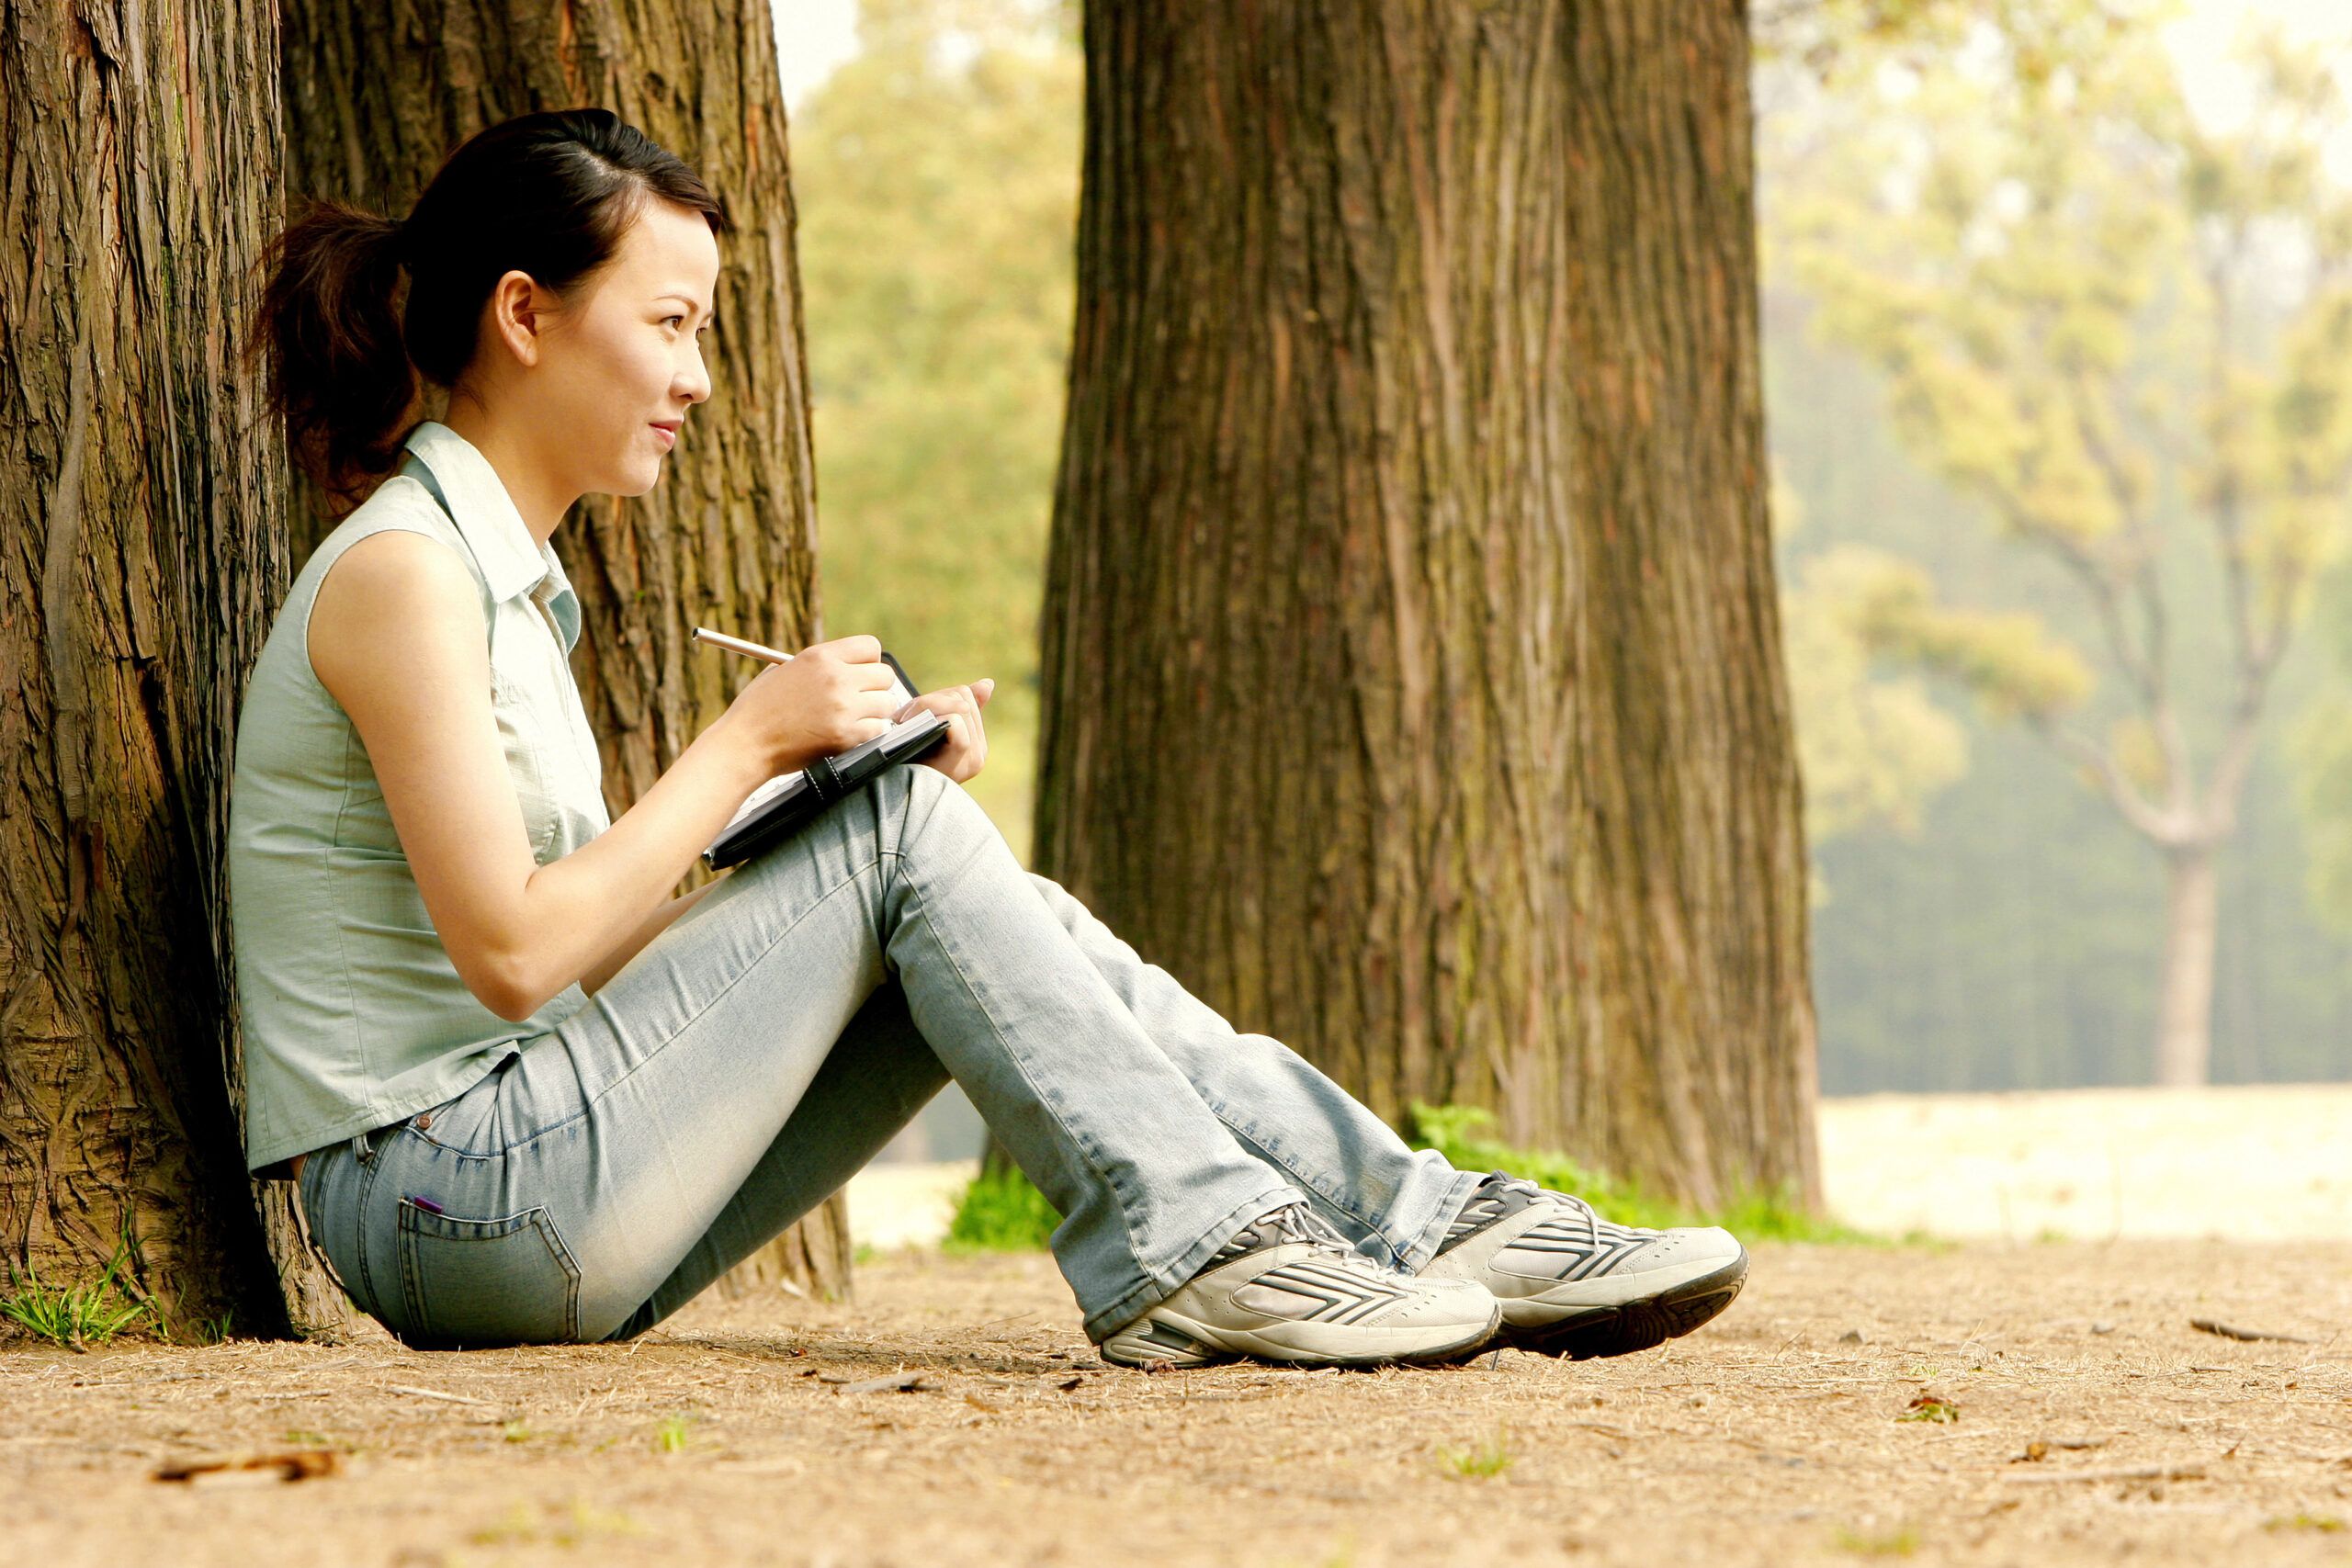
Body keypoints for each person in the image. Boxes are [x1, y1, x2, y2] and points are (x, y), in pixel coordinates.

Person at [230, 107, 1749, 1368]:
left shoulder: (494, 582)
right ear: (524, 314)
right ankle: (1217, 1244)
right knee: (909, 844)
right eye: (672, 324)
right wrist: (749, 744)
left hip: (530, 1186)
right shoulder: (405, 577)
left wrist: (829, 804)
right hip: (449, 1207)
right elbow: (509, 955)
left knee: (948, 867)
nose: (699, 378)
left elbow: (578, 966)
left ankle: (1401, 1217)